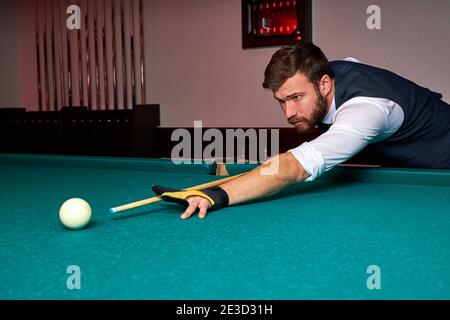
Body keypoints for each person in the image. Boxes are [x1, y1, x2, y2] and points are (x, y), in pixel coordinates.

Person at [152, 42, 450, 219]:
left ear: (324, 84)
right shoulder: (330, 72)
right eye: (281, 101)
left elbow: (292, 168)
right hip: (404, 159)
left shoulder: (366, 110)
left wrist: (214, 195)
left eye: (296, 98)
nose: (289, 113)